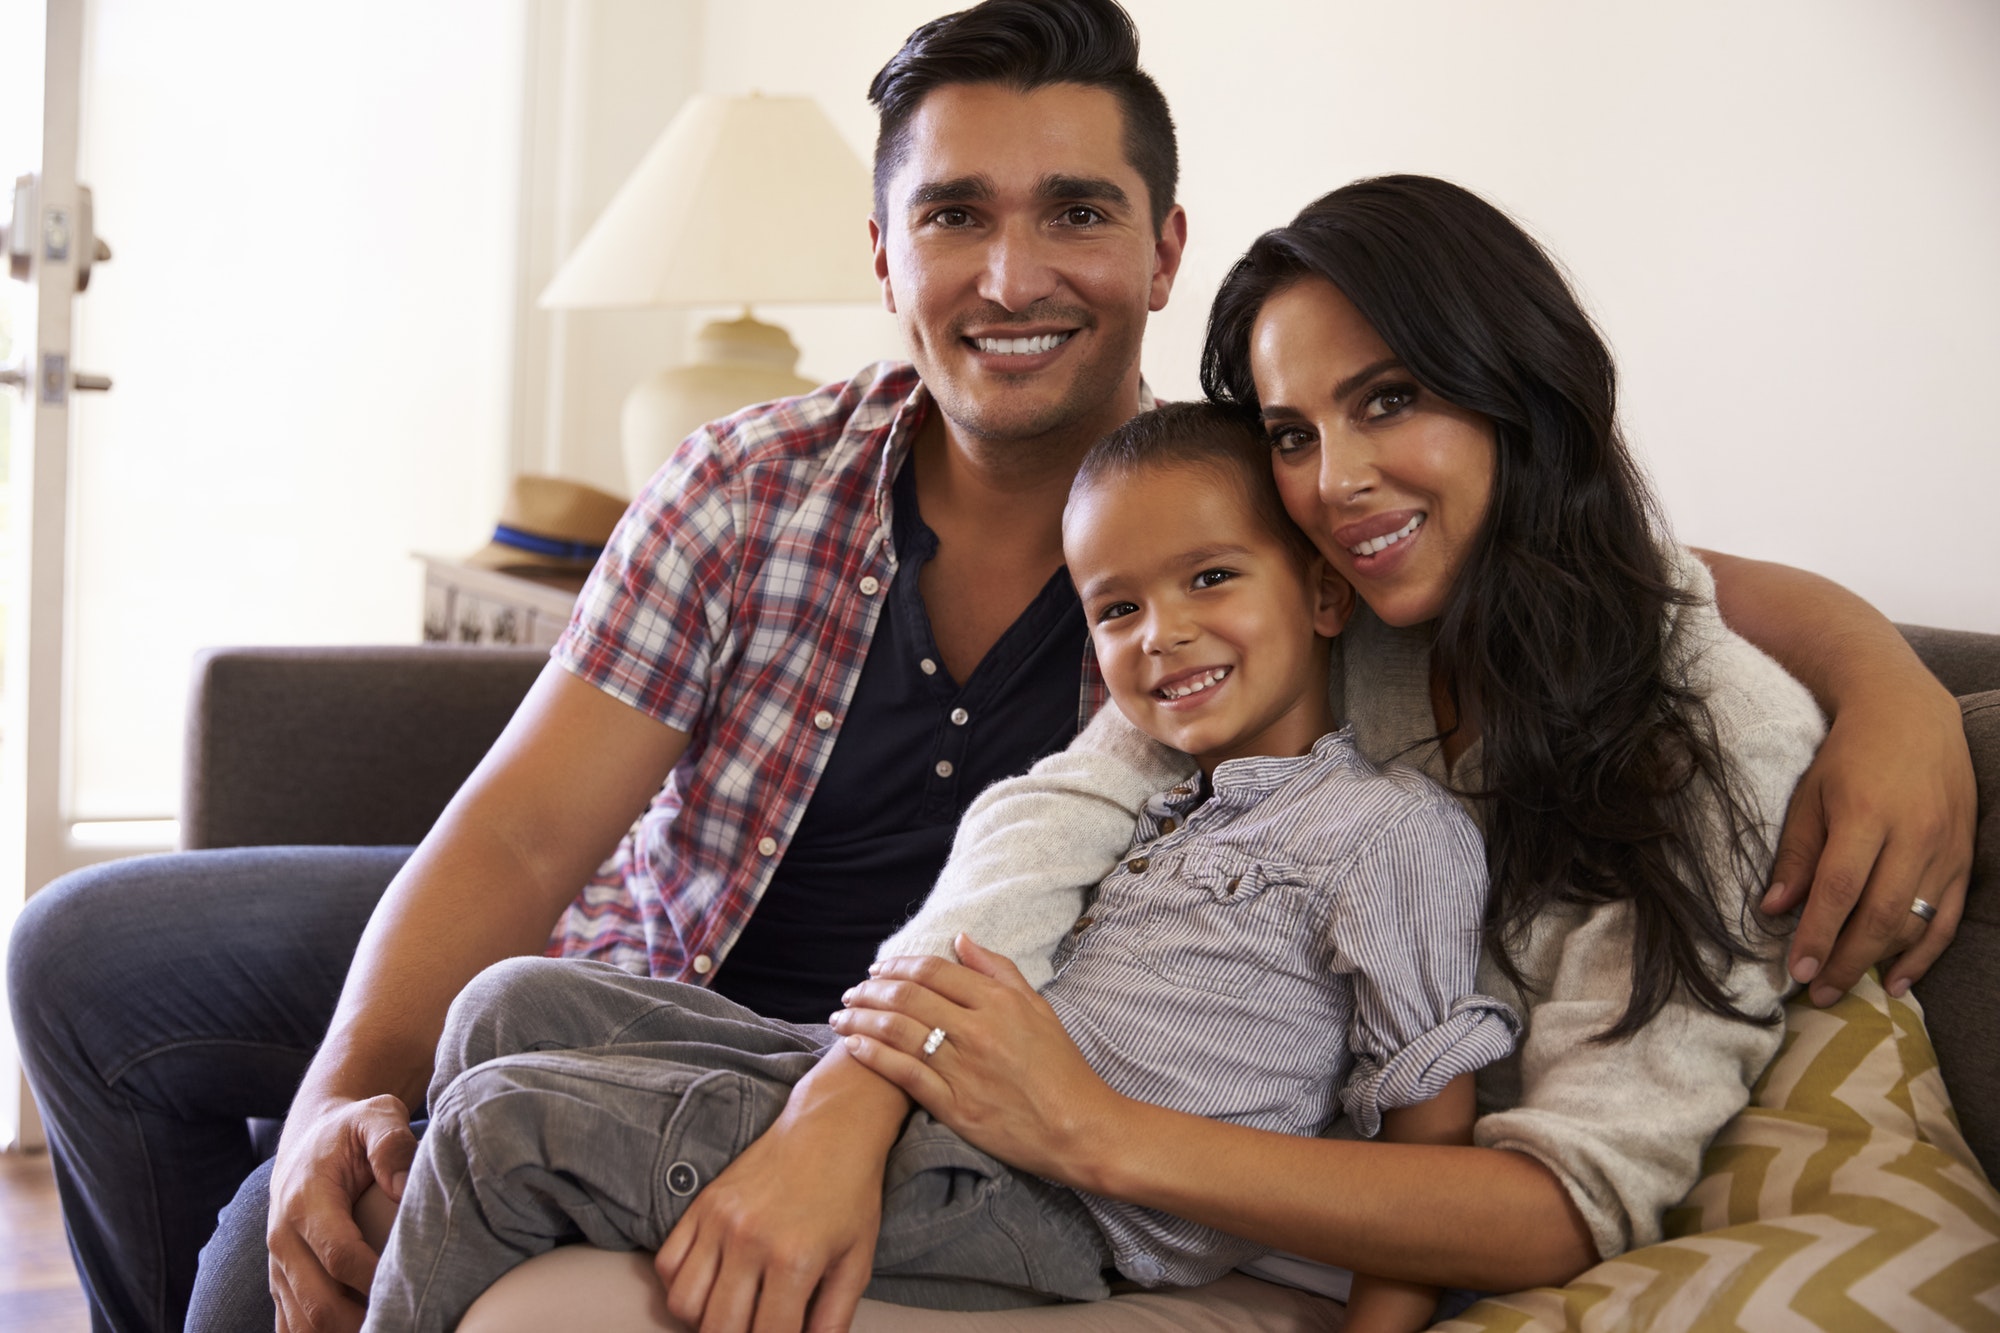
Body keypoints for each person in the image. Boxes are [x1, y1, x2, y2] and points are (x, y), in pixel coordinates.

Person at [2, 2, 1971, 1330]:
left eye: (1074, 215)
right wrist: (364, 1077)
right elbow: (520, 844)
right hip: (717, 975)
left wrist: (1874, 673)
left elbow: (1589, 576)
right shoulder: (772, 478)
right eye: (954, 214)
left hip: (1029, 1095)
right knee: (94, 960)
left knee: (288, 1251)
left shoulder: (1256, 548)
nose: (1012, 273)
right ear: (885, 254)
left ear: (1159, 246)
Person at [825, 174, 1844, 1307]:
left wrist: (1091, 1130)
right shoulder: (1339, 613)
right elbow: (1061, 811)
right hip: (1033, 1170)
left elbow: (1563, 1203)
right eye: (1290, 435)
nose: (1336, 483)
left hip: (1206, 1241)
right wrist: (852, 1094)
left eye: (1390, 398)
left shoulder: (1714, 739)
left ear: (1518, 388)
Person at [360, 402, 1520, 1333]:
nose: (1158, 632)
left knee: (491, 1129)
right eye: (1115, 607)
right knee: (504, 1003)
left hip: (1040, 1203)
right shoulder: (1141, 789)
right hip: (925, 1091)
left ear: (1323, 594)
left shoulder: (1387, 832)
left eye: (1209, 578)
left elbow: (1428, 1132)